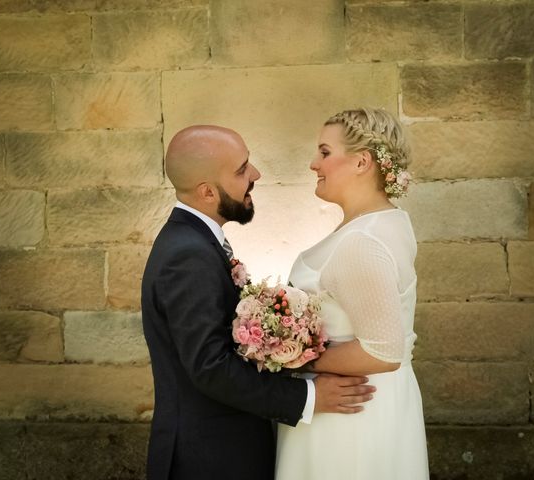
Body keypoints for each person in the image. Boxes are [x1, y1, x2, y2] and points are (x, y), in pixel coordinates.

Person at [141, 125, 376, 480]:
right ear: (207, 192)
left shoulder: (194, 242)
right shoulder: (187, 255)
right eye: (241, 169)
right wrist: (307, 397)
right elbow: (211, 367)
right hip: (208, 460)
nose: (256, 175)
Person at [276, 108, 429, 479]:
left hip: (349, 416)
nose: (314, 163)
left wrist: (295, 357)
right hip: (371, 403)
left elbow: (383, 349)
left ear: (362, 161)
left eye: (325, 152)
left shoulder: (362, 241)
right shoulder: (387, 222)